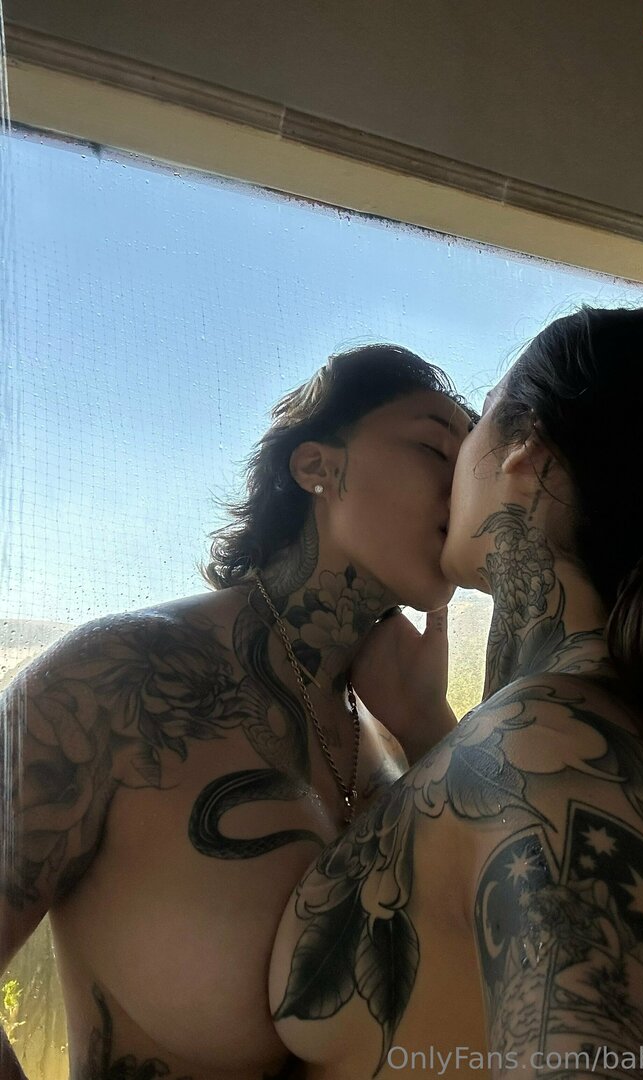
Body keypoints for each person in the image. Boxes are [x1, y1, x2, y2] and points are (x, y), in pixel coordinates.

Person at [269, 307, 643, 1079]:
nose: (449, 467)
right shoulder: (574, 727)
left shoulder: (566, 750)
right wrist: (426, 726)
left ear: (525, 450)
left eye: (474, 426)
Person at [0, 344, 475, 1080]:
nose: (462, 484)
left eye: (471, 463)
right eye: (434, 448)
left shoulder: (398, 738)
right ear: (317, 467)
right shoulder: (116, 680)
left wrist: (429, 726)